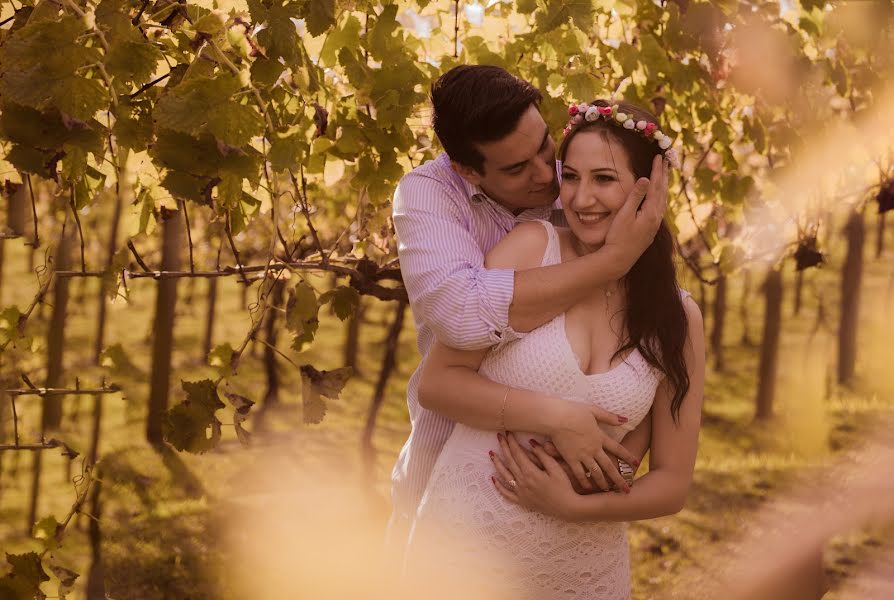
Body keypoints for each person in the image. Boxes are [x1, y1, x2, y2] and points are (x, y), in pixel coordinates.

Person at [403, 99, 705, 599]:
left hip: (582, 569)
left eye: (604, 179)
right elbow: (437, 384)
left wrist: (574, 507)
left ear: (651, 189)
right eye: (572, 177)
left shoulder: (676, 317)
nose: (580, 198)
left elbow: (672, 483)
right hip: (465, 549)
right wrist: (559, 417)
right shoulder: (530, 247)